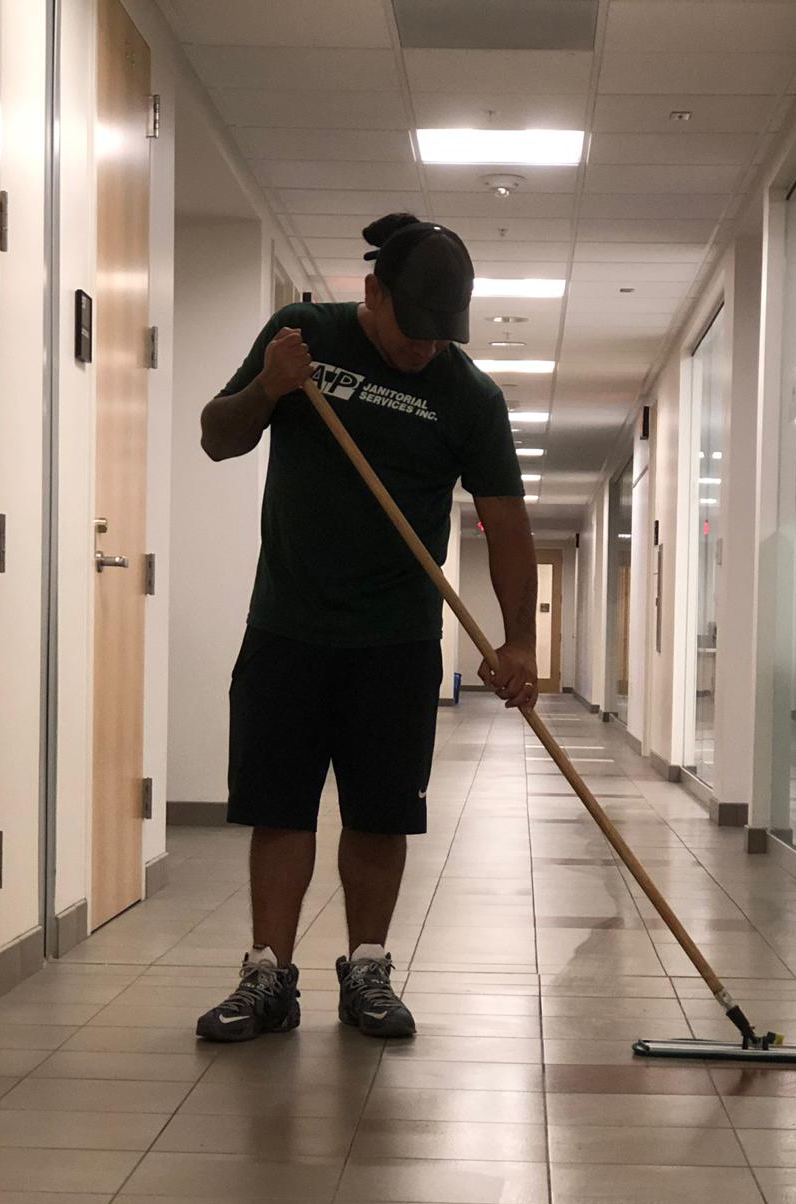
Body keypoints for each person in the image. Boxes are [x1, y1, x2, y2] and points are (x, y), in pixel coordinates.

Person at [195, 212, 538, 1045]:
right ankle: (269, 974)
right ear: (372, 292)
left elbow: (507, 522)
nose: (425, 349)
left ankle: (369, 968)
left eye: (440, 335)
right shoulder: (302, 338)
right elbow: (217, 438)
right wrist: (269, 388)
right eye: (412, 329)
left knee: (382, 813)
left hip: (397, 637)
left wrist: (520, 639)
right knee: (279, 808)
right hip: (288, 622)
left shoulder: (469, 395)